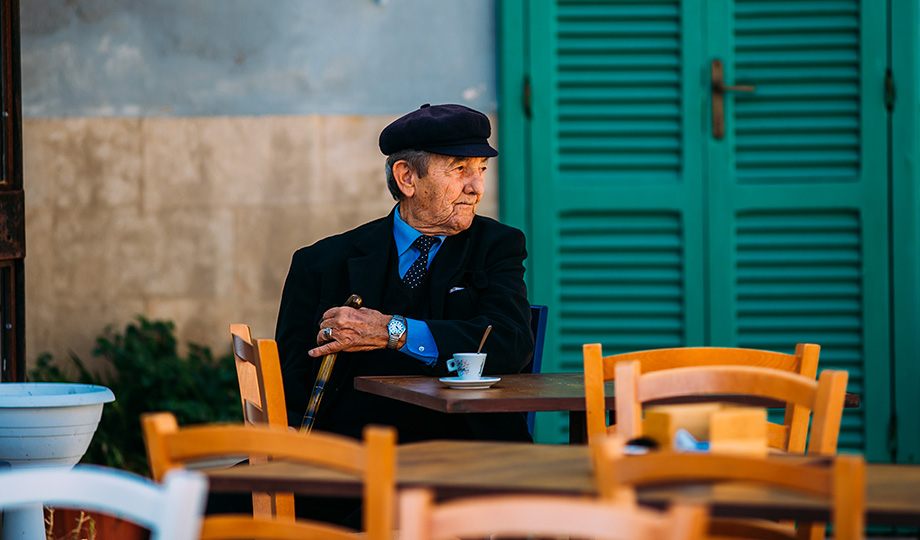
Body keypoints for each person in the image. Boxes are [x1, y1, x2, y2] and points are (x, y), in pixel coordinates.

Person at [275, 103, 534, 445]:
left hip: (465, 451)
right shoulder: (321, 262)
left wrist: (392, 331)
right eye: (459, 169)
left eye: (482, 169)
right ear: (407, 178)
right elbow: (290, 375)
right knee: (213, 494)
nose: (477, 187)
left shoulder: (498, 246)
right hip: (349, 455)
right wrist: (286, 436)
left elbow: (510, 342)